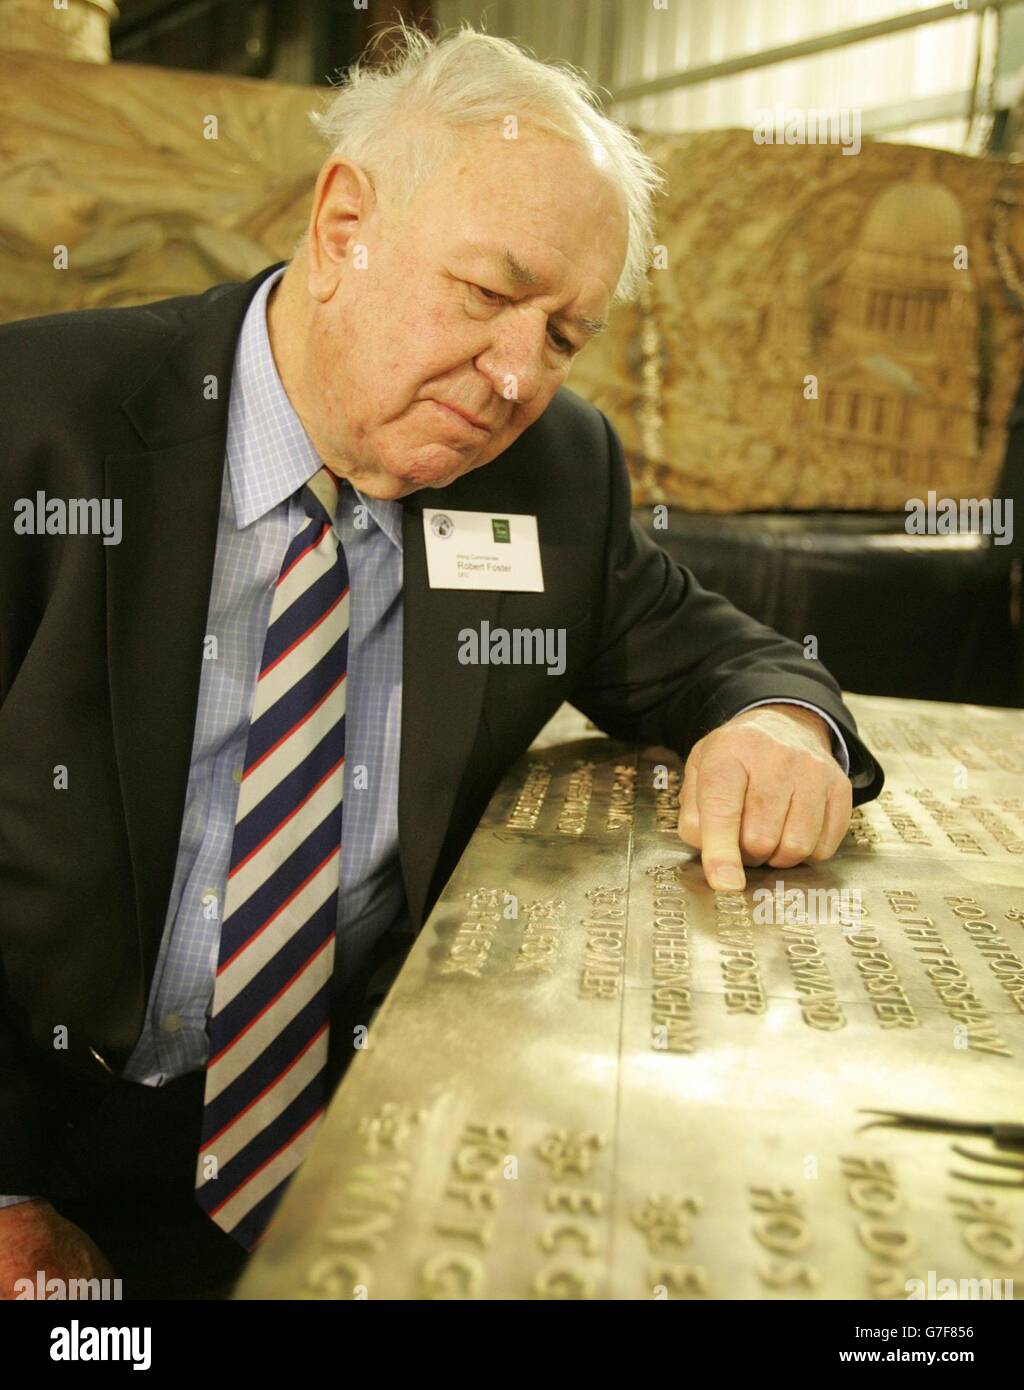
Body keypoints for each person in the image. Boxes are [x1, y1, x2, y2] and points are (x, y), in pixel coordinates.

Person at [0, 24, 883, 1299]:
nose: (518, 375)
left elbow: (718, 655)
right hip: (53, 1130)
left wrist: (781, 728)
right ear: (344, 225)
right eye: (484, 294)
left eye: (564, 334)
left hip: (348, 1147)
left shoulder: (546, 475)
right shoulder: (43, 429)